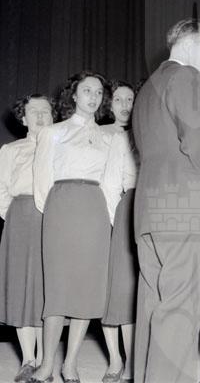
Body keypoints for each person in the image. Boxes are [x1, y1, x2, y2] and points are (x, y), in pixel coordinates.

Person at [132, 18, 200, 383]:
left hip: (149, 209)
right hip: (183, 207)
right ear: (188, 44)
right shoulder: (186, 77)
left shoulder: (149, 86)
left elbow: (168, 143)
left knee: (153, 306)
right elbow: (196, 142)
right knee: (180, 311)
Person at [29, 71, 120, 383]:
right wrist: (54, 212)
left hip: (94, 211)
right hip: (61, 209)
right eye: (87, 91)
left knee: (85, 289)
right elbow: (42, 181)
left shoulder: (110, 139)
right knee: (57, 288)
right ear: (74, 95)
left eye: (98, 92)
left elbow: (111, 183)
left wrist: (108, 220)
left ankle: (70, 364)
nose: (93, 97)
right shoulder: (53, 132)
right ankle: (46, 365)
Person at [0, 94, 54, 382]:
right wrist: (15, 216)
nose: (41, 116)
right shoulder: (11, 150)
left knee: (46, 289)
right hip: (21, 217)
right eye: (35, 112)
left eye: (46, 111)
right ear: (23, 118)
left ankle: (46, 360)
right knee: (22, 287)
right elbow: (1, 189)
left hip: (53, 218)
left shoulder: (60, 148)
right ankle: (28, 360)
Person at [100, 82, 138, 383]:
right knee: (109, 289)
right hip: (111, 215)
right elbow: (110, 185)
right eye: (118, 99)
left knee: (130, 289)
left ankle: (134, 360)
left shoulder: (143, 133)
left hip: (141, 211)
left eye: (130, 99)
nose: (125, 105)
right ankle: (115, 358)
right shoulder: (104, 135)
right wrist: (117, 222)